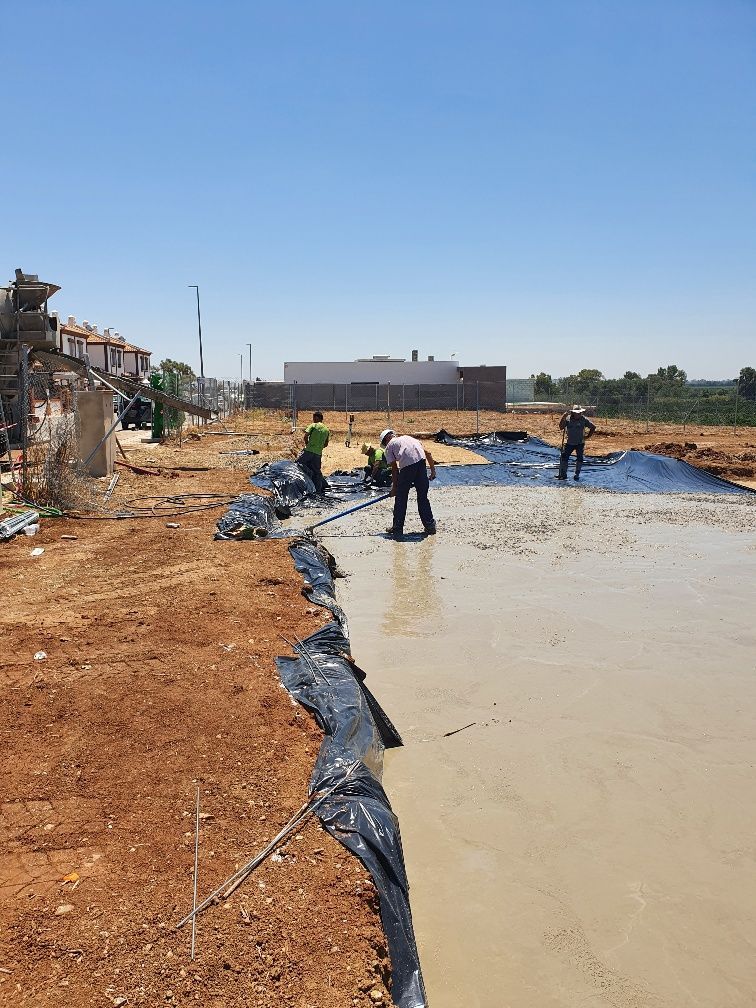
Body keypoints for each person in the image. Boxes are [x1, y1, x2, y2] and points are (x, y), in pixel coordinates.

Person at [379, 428, 437, 540]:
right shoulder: (410, 438)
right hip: (421, 464)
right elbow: (428, 453)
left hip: (407, 468)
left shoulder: (389, 446)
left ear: (386, 439)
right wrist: (433, 471)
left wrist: (394, 488)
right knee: (422, 497)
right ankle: (430, 526)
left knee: (401, 498)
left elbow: (394, 469)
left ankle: (397, 529)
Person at [556, 405, 595, 480]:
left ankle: (577, 474)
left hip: (580, 443)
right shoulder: (568, 419)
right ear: (573, 413)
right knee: (564, 457)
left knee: (579, 458)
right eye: (577, 413)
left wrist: (587, 436)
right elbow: (561, 427)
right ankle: (563, 474)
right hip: (569, 442)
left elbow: (593, 427)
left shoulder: (583, 419)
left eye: (580, 413)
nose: (579, 414)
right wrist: (563, 418)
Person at [297, 411, 330, 493]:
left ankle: (307, 476)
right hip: (318, 454)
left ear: (317, 417)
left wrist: (307, 444)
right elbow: (326, 444)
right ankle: (318, 490)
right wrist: (319, 447)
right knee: (317, 472)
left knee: (298, 465)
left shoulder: (313, 425)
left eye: (314, 417)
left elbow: (305, 436)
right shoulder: (326, 430)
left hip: (309, 451)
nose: (313, 419)